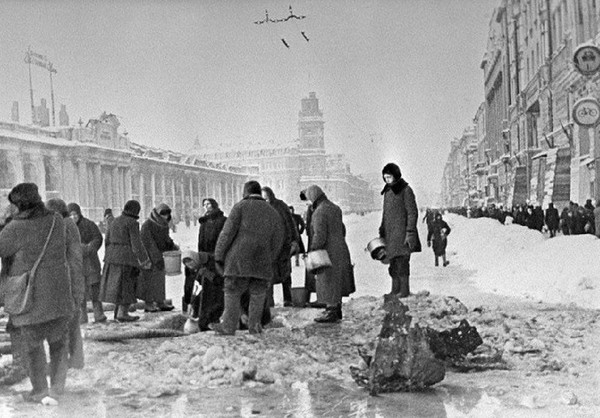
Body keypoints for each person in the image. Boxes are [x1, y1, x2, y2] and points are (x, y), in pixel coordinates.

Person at [0, 183, 74, 403]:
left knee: (33, 347)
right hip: (59, 293)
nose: (10, 208)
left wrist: (4, 222)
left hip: (30, 297)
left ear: (20, 204)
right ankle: (58, 389)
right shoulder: (56, 221)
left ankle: (40, 391)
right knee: (59, 344)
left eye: (12, 204)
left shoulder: (15, 228)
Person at [211, 180, 284, 335]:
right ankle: (254, 326)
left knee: (232, 291)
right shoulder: (272, 212)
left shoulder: (240, 207)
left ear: (246, 192)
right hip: (262, 262)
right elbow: (278, 239)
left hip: (238, 261)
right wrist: (270, 257)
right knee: (258, 294)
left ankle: (229, 327)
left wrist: (218, 256)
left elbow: (227, 233)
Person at [304, 185, 355, 323]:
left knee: (328, 280)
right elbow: (342, 229)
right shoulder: (335, 208)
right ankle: (336, 308)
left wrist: (313, 249)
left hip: (328, 251)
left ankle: (331, 311)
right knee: (336, 279)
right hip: (340, 248)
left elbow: (320, 235)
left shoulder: (319, 212)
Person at [46, 199, 85, 370]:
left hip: (69, 281)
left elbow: (71, 259)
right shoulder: (68, 224)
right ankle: (76, 359)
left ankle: (70, 361)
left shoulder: (65, 226)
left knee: (67, 323)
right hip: (72, 280)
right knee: (72, 323)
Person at [100, 200, 151, 322]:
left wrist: (108, 256)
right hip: (126, 259)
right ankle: (123, 314)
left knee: (117, 287)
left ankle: (118, 313)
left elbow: (106, 240)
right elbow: (136, 244)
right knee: (126, 286)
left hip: (112, 257)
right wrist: (145, 260)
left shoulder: (114, 221)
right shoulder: (132, 223)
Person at [379, 163, 421, 298]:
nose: (387, 180)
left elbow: (412, 212)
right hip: (390, 235)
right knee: (393, 264)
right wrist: (382, 228)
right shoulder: (387, 192)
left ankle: (404, 290)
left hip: (403, 235)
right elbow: (386, 213)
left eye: (389, 177)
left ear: (396, 176)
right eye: (385, 177)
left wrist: (410, 232)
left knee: (402, 264)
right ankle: (394, 289)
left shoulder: (406, 190)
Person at [182, 198, 226, 322]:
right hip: (204, 255)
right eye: (204, 204)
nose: (206, 206)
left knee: (212, 282)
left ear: (214, 205)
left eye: (208, 204)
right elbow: (200, 241)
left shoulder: (222, 220)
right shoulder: (204, 222)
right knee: (200, 281)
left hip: (216, 255)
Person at [67, 202, 106, 323]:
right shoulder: (66, 228)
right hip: (76, 265)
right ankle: (81, 316)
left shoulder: (89, 224)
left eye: (75, 214)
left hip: (91, 263)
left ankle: (99, 314)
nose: (73, 217)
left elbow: (98, 238)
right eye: (71, 215)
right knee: (80, 292)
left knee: (95, 289)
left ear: (79, 213)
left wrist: (89, 248)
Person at [261, 186, 300, 307]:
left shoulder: (280, 206)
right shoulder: (261, 208)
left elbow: (290, 223)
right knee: (269, 275)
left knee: (285, 274)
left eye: (266, 196)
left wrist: (294, 240)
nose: (265, 199)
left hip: (283, 245)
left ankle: (288, 299)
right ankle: (269, 302)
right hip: (269, 247)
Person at [138, 203, 178, 312]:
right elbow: (148, 243)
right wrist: (156, 258)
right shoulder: (147, 225)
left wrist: (172, 246)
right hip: (149, 258)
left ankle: (160, 301)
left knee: (159, 281)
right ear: (157, 214)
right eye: (163, 214)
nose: (165, 216)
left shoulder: (164, 225)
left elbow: (166, 239)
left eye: (167, 214)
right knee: (149, 282)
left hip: (160, 256)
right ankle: (149, 303)